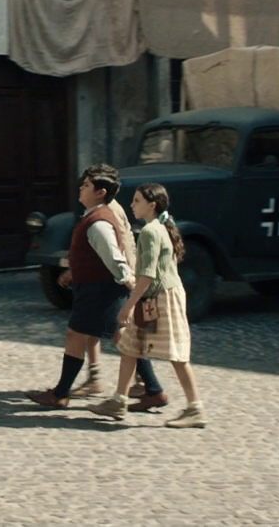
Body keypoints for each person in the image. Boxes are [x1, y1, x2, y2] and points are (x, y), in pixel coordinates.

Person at [89, 183, 206, 427]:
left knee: (177, 354)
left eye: (137, 201)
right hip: (155, 296)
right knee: (130, 347)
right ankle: (119, 401)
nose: (132, 205)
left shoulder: (151, 231)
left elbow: (148, 275)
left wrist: (128, 305)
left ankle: (195, 408)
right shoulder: (158, 227)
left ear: (152, 205)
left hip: (162, 298)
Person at [27, 164, 135, 408]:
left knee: (90, 336)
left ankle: (60, 394)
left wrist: (128, 281)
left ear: (101, 192)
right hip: (96, 288)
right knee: (117, 337)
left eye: (86, 185)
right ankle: (153, 388)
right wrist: (75, 271)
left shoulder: (99, 222)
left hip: (101, 290)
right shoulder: (93, 217)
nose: (81, 188)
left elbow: (113, 257)